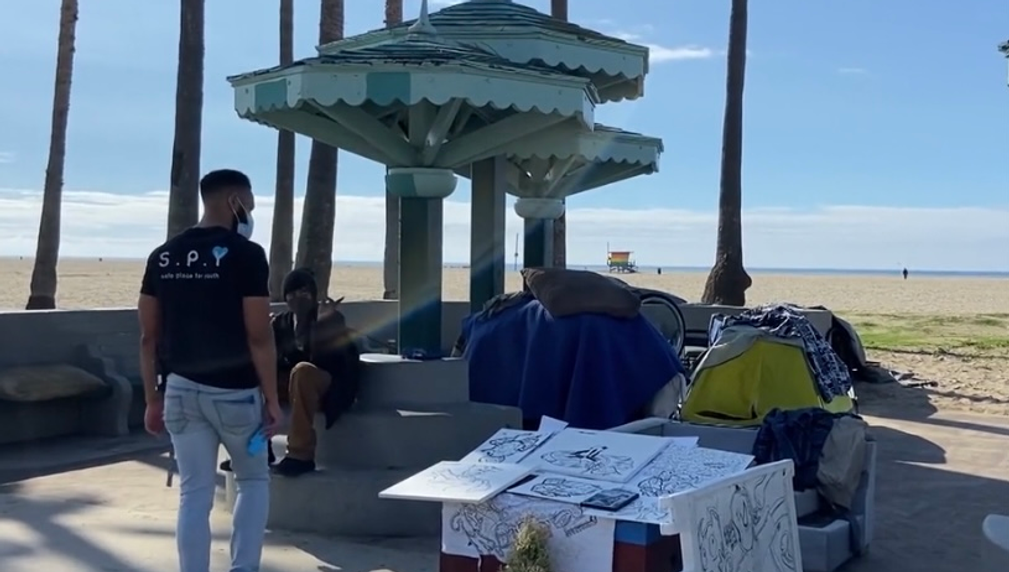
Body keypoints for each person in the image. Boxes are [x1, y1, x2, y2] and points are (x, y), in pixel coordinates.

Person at [138, 169, 280, 572]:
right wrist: (272, 400)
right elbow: (259, 336)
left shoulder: (163, 256)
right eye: (249, 205)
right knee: (253, 481)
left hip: (180, 392)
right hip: (237, 396)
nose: (250, 214)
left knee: (194, 493)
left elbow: (148, 337)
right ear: (234, 200)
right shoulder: (247, 255)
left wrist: (152, 399)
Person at [219, 267, 362, 478]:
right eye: (292, 294)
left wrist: (322, 324)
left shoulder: (331, 319)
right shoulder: (282, 322)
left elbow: (325, 361)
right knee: (254, 374)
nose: (298, 298)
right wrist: (264, 333)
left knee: (303, 371)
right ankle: (256, 450)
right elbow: (271, 360)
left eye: (304, 292)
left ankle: (300, 455)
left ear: (313, 294)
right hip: (294, 385)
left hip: (326, 386)